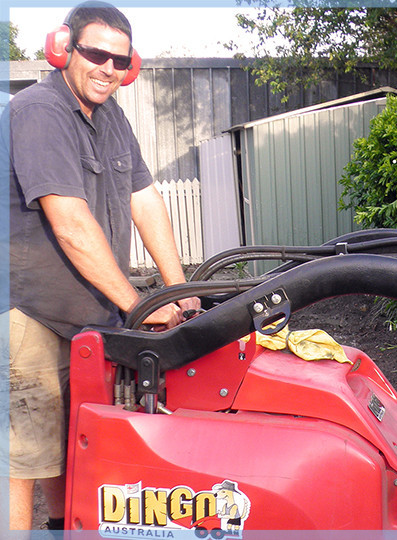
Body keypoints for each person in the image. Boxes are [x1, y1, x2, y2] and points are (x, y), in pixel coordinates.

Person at [1, 1, 200, 533]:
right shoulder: (37, 111)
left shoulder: (110, 116)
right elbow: (69, 223)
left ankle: (62, 527)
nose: (106, 69)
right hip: (31, 313)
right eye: (94, 54)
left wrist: (179, 291)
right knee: (22, 458)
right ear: (63, 48)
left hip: (90, 312)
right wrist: (138, 305)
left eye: (119, 60)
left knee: (72, 441)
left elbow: (146, 199)